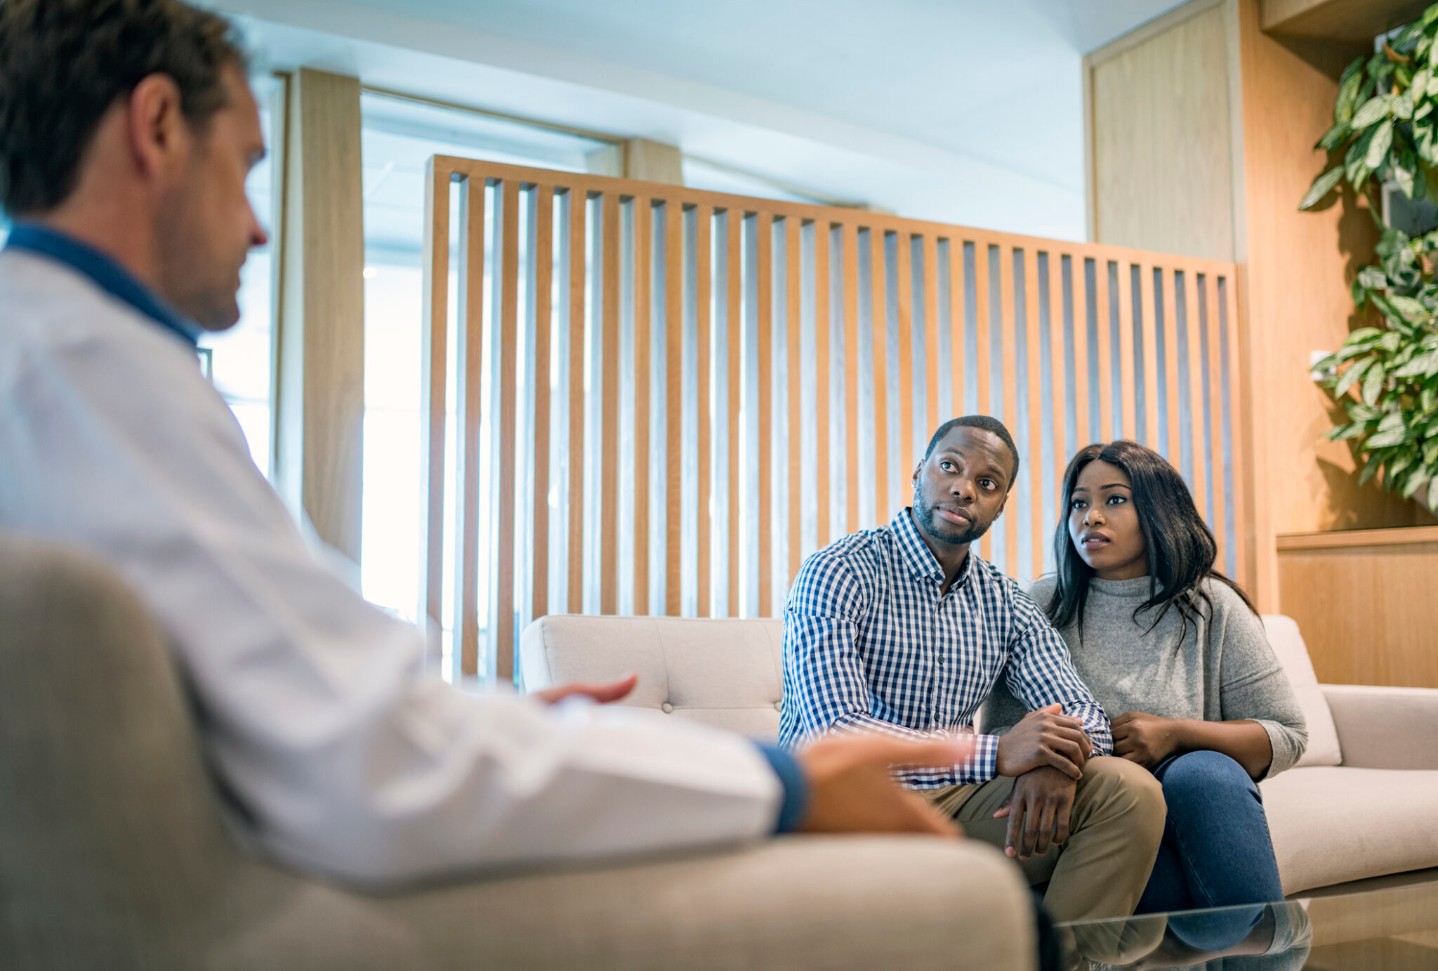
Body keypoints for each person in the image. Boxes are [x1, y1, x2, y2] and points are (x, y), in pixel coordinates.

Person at [0, 0, 976, 889]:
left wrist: (499, 723)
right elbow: (374, 770)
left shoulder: (58, 359)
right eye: (250, 166)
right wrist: (783, 782)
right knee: (965, 905)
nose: (258, 229)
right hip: (298, 890)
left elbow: (308, 717)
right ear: (159, 124)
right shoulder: (92, 377)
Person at [780, 415, 1167, 921]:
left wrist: (1054, 760)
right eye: (950, 467)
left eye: (987, 483)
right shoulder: (839, 570)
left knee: (1128, 790)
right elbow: (838, 735)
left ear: (1001, 505)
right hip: (843, 807)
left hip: (954, 802)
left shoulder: (1004, 600)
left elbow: (1085, 716)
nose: (963, 489)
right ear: (919, 473)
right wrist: (1001, 753)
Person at [986, 440, 1307, 913]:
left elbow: (1287, 734)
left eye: (1114, 499)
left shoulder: (1211, 605)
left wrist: (1175, 734)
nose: (1091, 517)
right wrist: (1053, 758)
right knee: (1141, 828)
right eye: (1079, 503)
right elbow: (1000, 733)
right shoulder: (1040, 604)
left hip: (1192, 800)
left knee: (1205, 772)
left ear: (1158, 509)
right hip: (1095, 807)